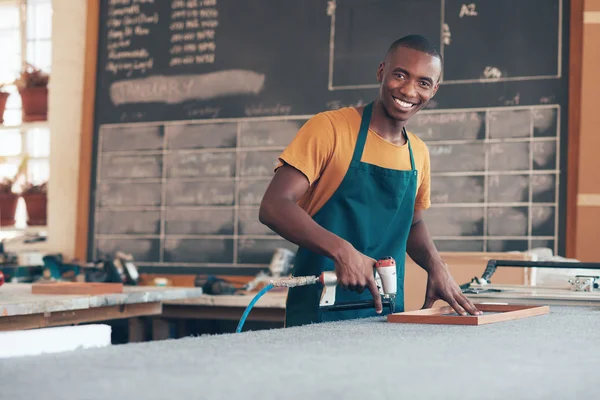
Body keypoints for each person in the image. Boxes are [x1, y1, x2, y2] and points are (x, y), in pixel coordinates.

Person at [258, 34, 481, 327]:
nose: (409, 90)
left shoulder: (418, 153)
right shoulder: (330, 129)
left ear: (434, 89)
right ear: (381, 72)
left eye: (423, 83)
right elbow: (274, 206)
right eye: (400, 75)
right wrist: (342, 251)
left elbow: (413, 224)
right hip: (319, 314)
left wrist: (436, 267)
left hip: (385, 316)